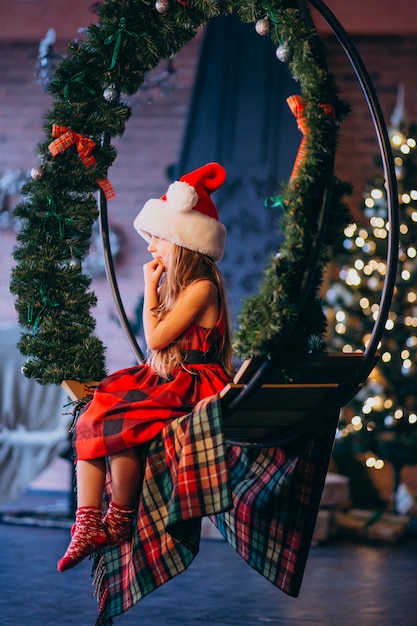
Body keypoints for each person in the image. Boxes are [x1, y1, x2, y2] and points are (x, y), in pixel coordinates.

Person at [58, 162, 234, 572]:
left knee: (123, 420)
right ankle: (86, 523)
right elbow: (157, 339)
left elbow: (154, 339)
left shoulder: (202, 287)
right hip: (172, 377)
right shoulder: (185, 287)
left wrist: (149, 288)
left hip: (194, 383)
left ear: (181, 242)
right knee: (96, 411)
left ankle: (118, 519)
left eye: (157, 238)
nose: (152, 247)